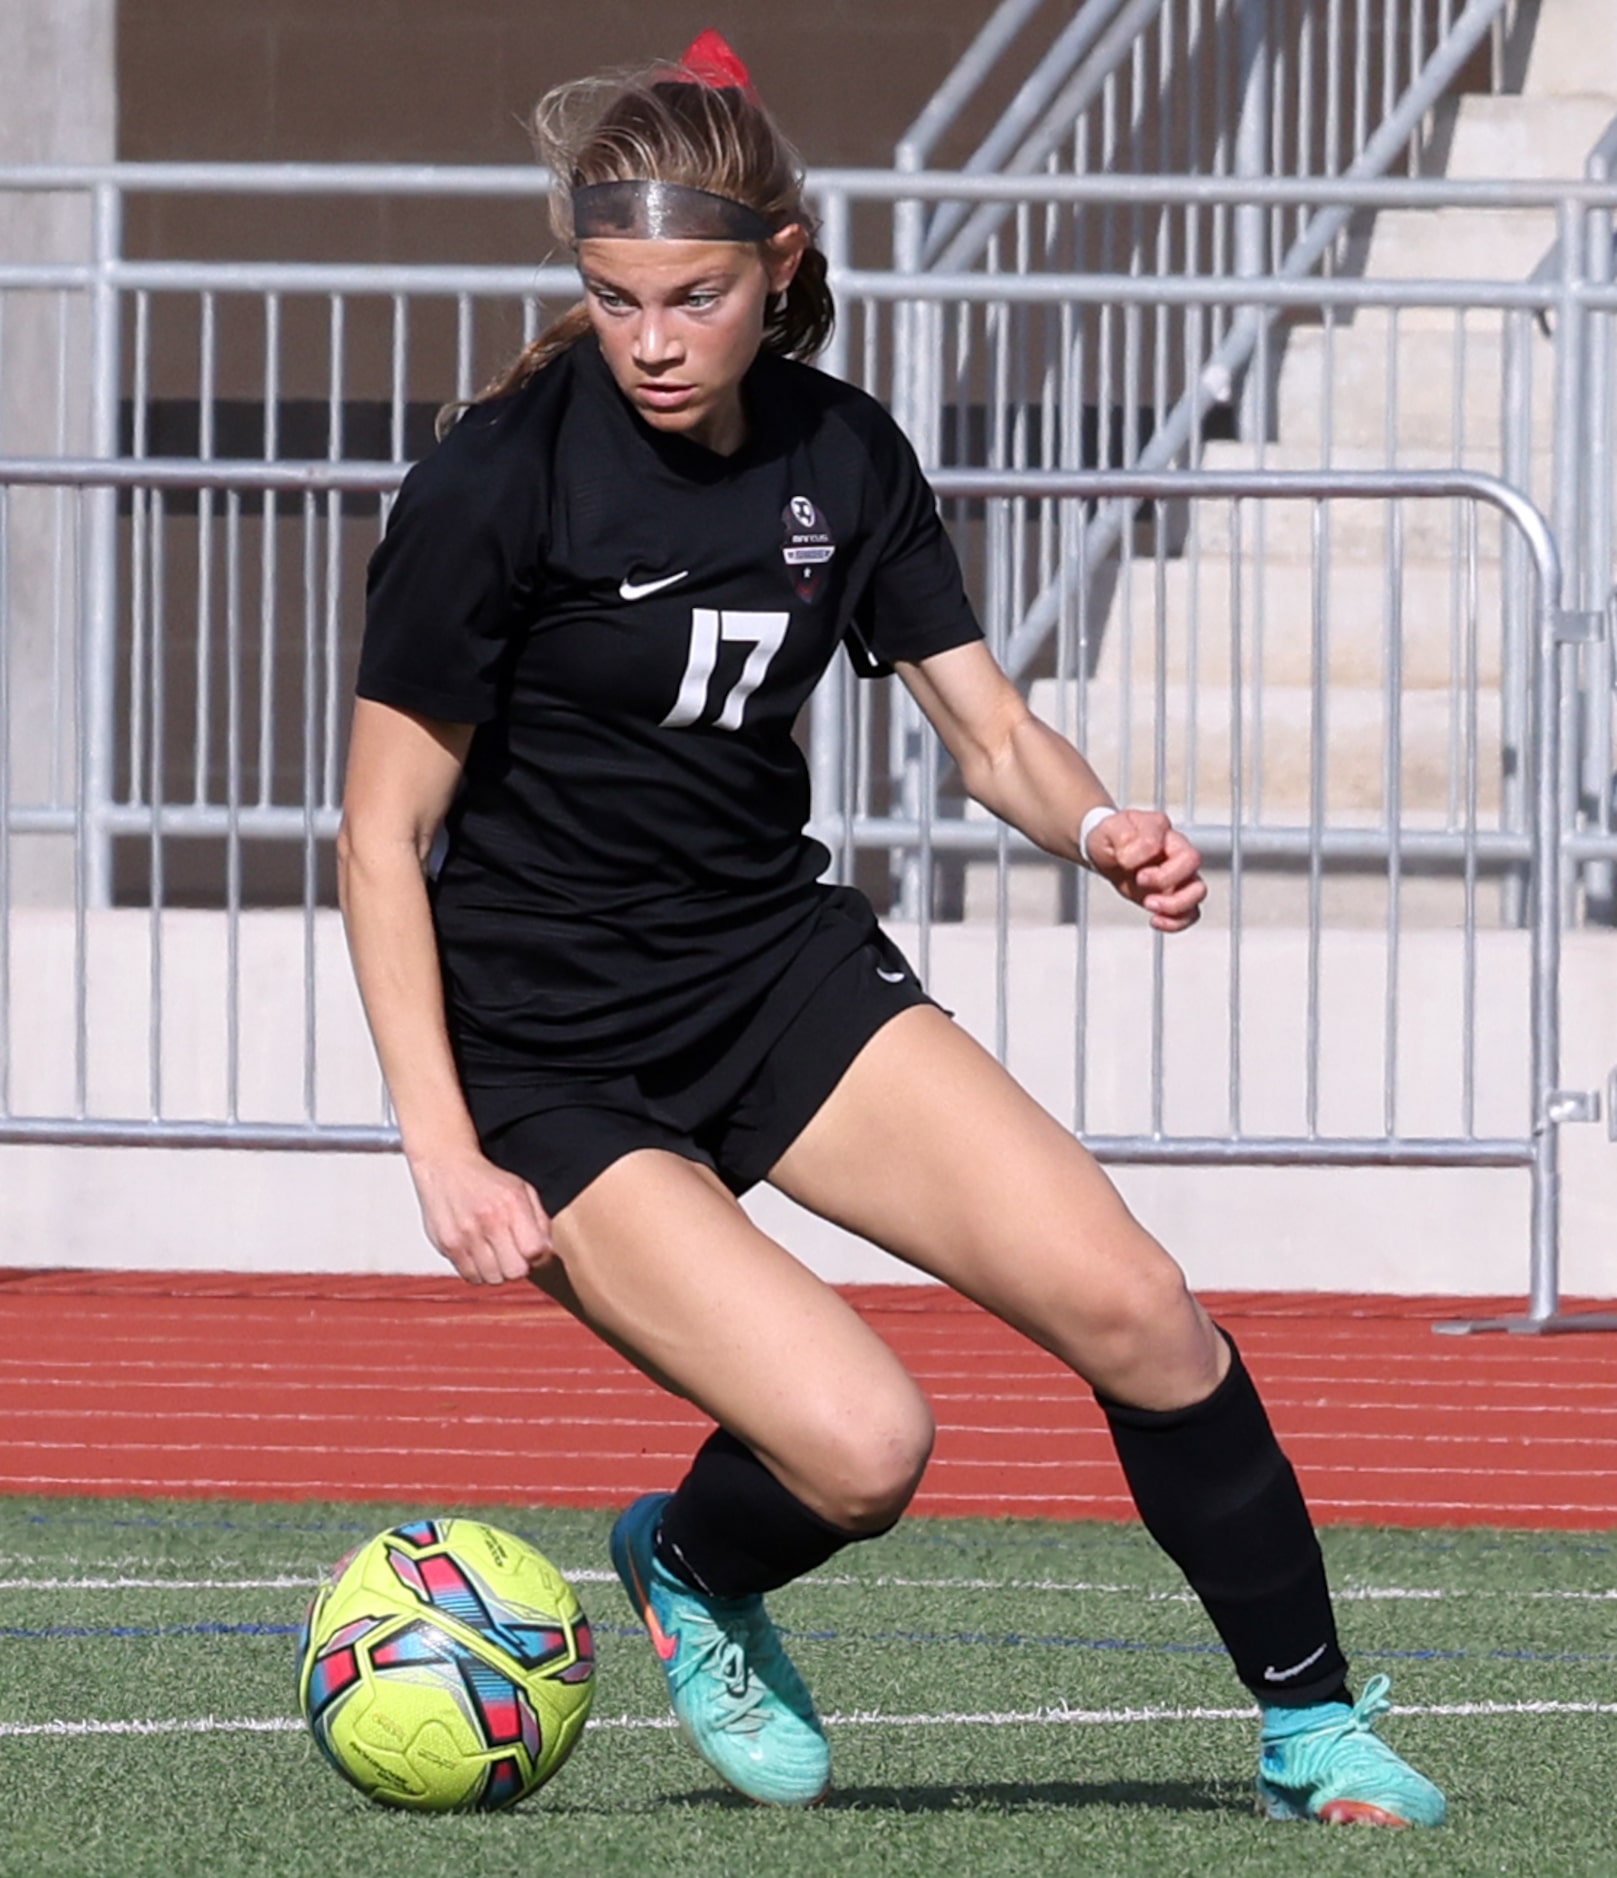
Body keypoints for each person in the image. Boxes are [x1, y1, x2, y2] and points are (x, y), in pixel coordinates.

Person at [337, 30, 1446, 1828]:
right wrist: (438, 1142)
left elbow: (987, 729)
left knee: (1139, 1309)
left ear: (776, 267)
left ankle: (1308, 1724)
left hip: (774, 977)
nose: (649, 337)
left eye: (690, 295)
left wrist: (1096, 826)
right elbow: (381, 837)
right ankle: (694, 1562)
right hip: (552, 1056)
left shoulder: (843, 455)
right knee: (863, 1450)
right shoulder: (494, 482)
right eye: (612, 296)